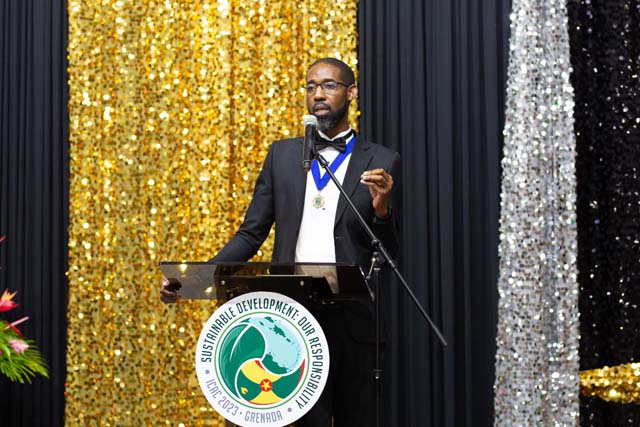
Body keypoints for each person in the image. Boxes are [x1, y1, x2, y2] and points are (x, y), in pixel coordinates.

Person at [161, 57, 400, 426]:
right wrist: (194, 278)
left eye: (329, 85)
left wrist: (381, 209)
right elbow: (251, 232)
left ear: (352, 93)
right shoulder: (283, 155)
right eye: (311, 86)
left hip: (355, 322)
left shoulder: (381, 160)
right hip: (293, 320)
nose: (318, 94)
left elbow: (390, 250)